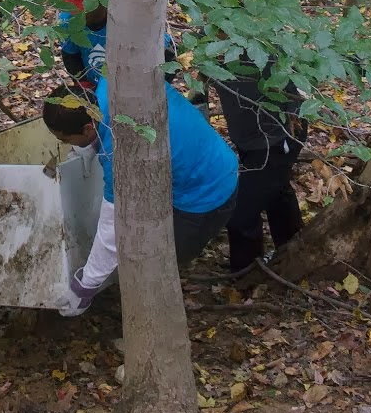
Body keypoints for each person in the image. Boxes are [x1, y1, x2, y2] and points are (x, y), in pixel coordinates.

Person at [40, 74, 238, 315]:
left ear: (88, 127)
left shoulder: (121, 152)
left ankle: (159, 329)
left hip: (206, 194)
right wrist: (89, 147)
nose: (62, 144)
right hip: (215, 157)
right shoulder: (112, 80)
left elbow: (113, 226)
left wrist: (86, 285)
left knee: (153, 265)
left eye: (65, 139)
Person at [211, 63, 306, 273]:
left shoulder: (262, 43)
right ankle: (294, 249)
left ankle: (247, 274)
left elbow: (308, 64)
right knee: (276, 190)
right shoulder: (208, 42)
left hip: (277, 137)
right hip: (249, 137)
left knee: (240, 215)